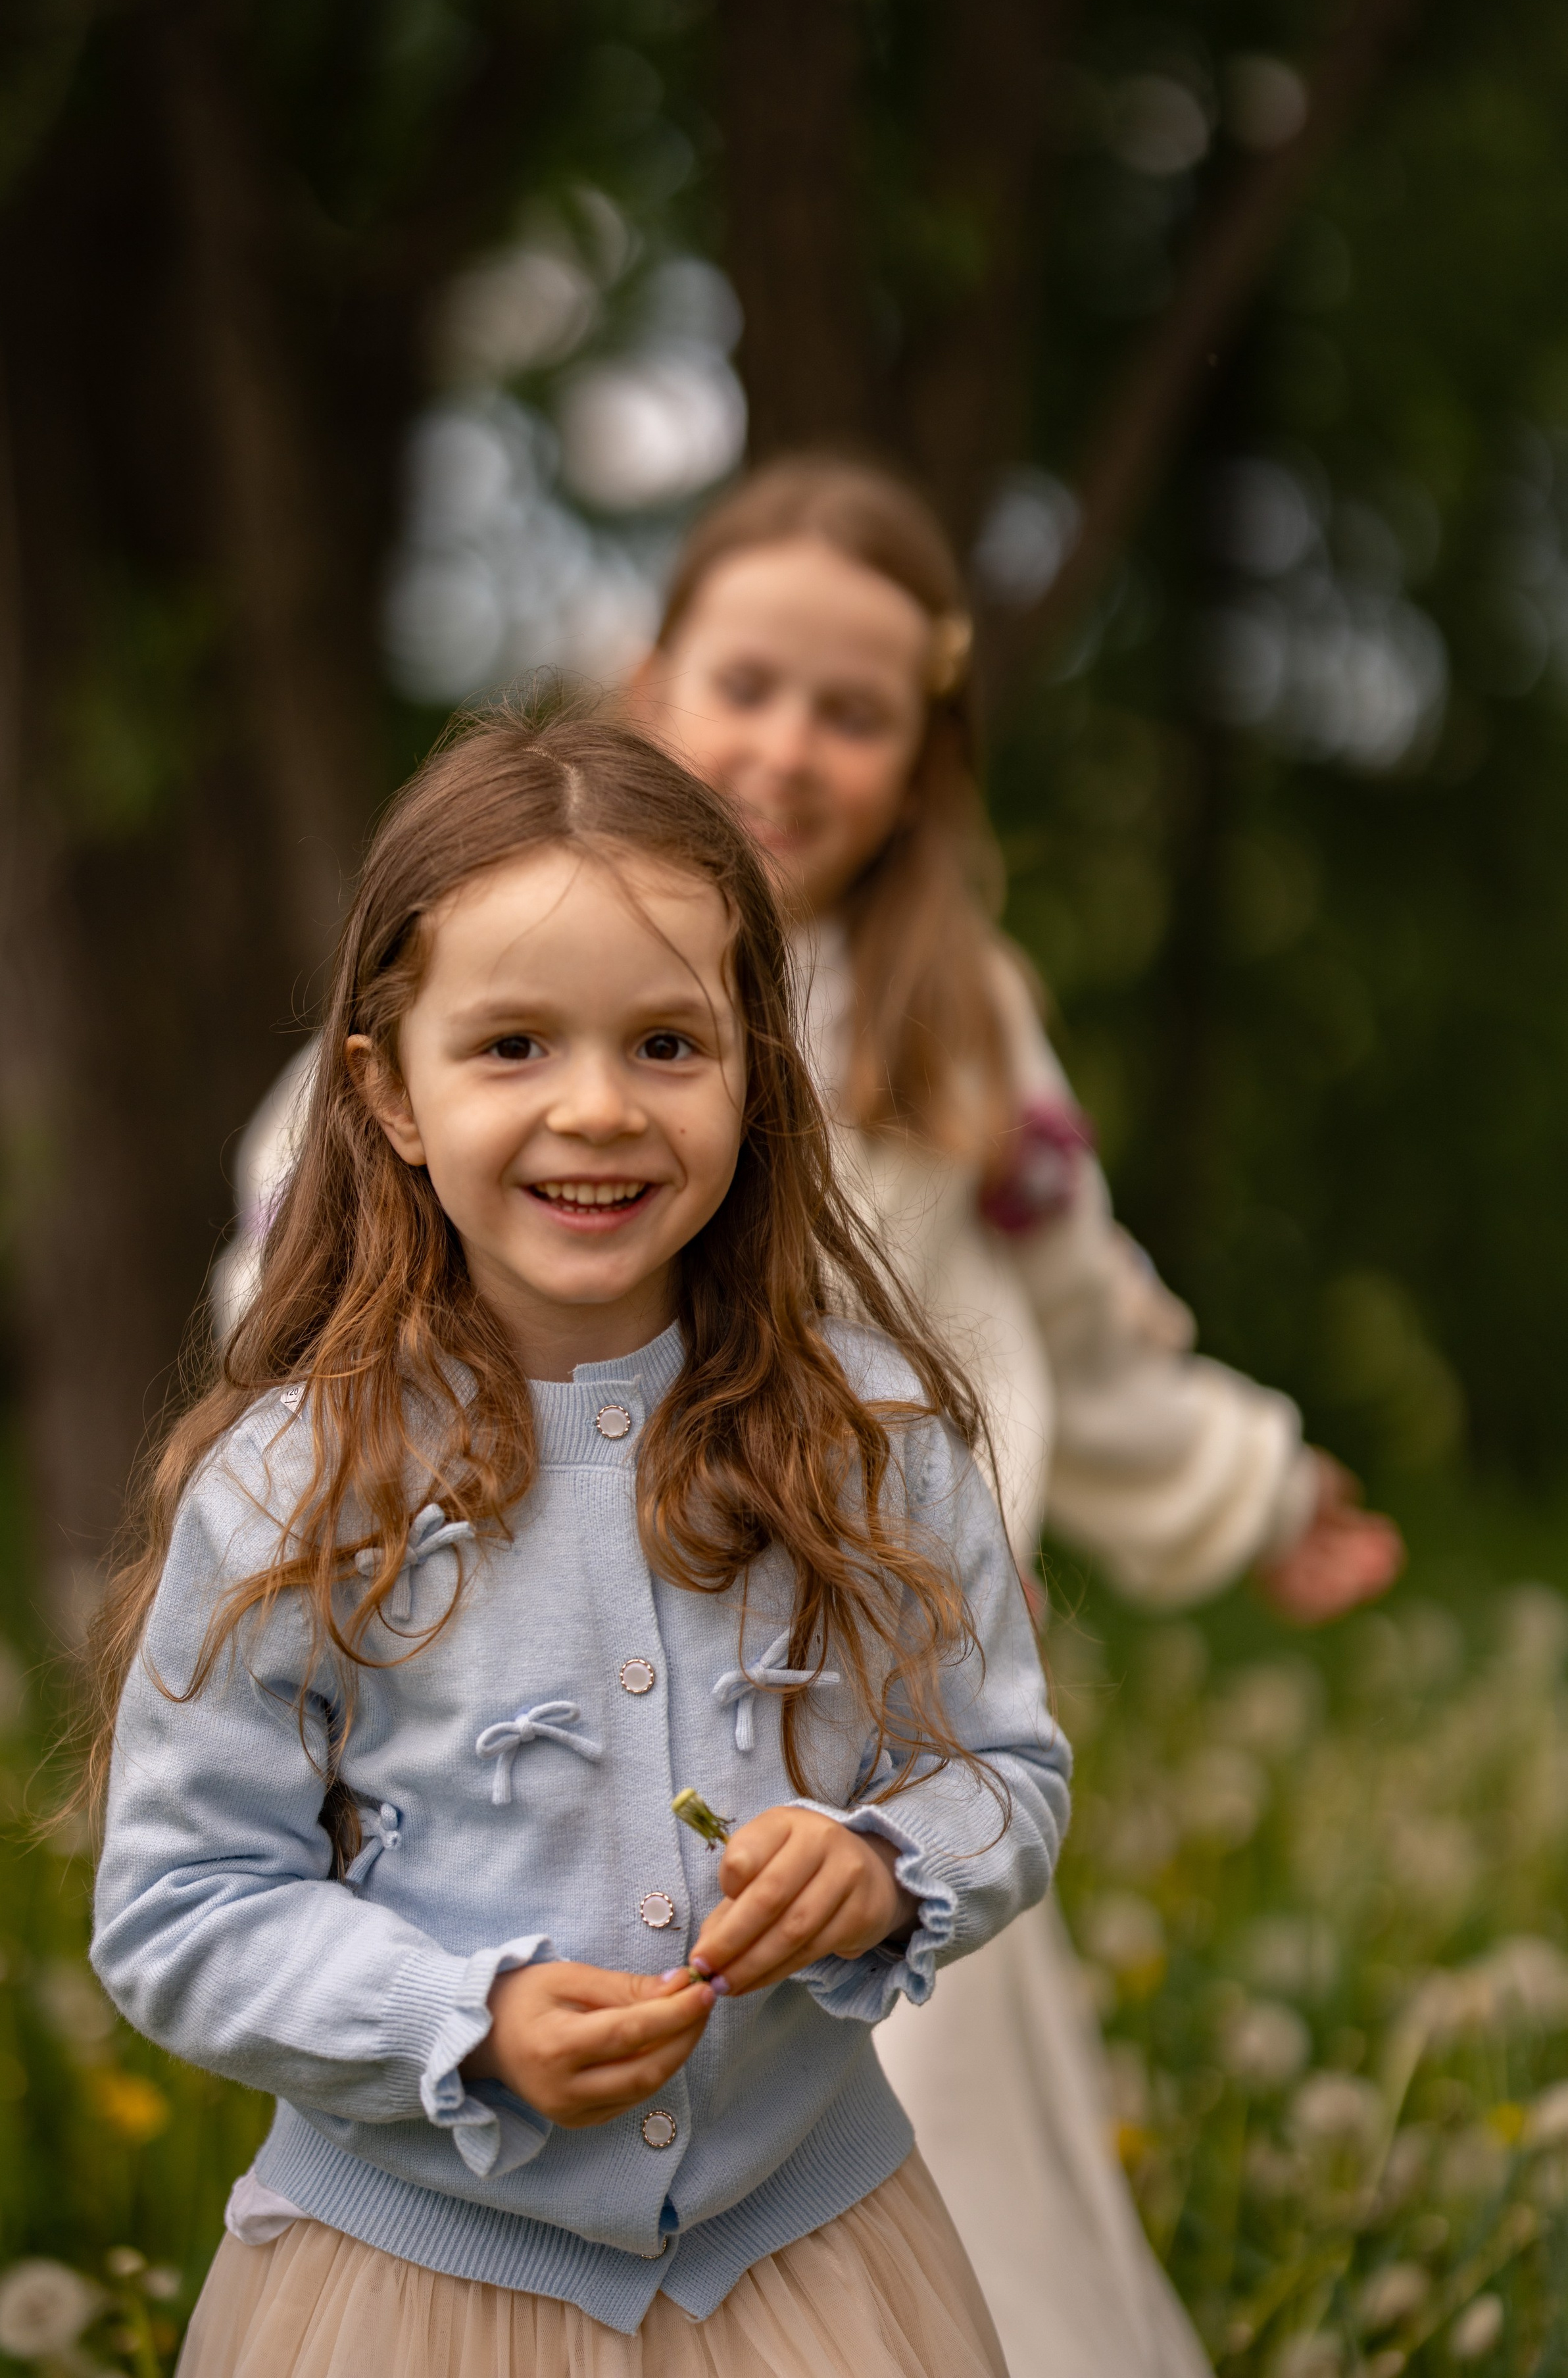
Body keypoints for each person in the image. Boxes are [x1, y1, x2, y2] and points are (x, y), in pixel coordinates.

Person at [89, 711, 1069, 2378]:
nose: (598, 1109)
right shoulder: (291, 1489)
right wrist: (454, 2026)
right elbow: (179, 1906)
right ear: (388, 1090)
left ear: (757, 1066)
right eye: (514, 1047)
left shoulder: (875, 1430)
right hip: (412, 2289)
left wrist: (884, 1866)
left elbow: (1004, 1770)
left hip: (810, 2261)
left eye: (667, 1047)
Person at [620, 453, 1405, 2378]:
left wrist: (1248, 1474)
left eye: (855, 712)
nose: (788, 748)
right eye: (748, 686)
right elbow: (327, 1199)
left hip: (880, 1715)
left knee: (925, 2182)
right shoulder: (528, 934)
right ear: (655, 685)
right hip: (566, 1679)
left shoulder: (949, 1013)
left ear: (926, 752)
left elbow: (1081, 1316)